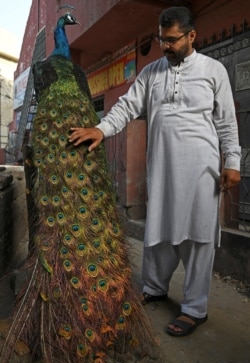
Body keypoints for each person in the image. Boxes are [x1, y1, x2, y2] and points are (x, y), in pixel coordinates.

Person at [69, 6, 241, 337]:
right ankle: (154, 287)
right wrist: (101, 129)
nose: (165, 46)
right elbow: (126, 106)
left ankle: (194, 308)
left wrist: (232, 162)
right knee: (159, 232)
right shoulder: (150, 73)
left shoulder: (213, 70)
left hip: (202, 169)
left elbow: (227, 121)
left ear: (192, 36)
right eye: (162, 39)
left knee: (198, 237)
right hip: (162, 168)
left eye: (172, 40)